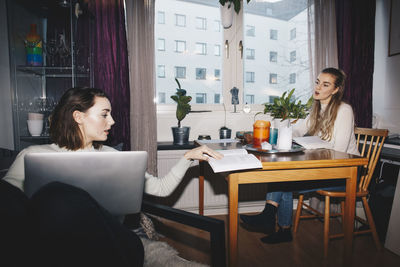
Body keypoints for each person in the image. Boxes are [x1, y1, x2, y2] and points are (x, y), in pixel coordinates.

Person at [0, 87, 222, 267]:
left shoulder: (113, 157)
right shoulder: (33, 156)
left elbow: (161, 189)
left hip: (115, 244)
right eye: (105, 114)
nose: (113, 121)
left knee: (58, 196)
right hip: (56, 246)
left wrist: (187, 158)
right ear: (78, 116)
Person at [240, 67, 360, 244]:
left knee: (284, 180)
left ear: (335, 90)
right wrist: (285, 133)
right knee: (283, 177)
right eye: (318, 82)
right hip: (325, 167)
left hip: (344, 173)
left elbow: (340, 151)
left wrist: (313, 146)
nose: (318, 87)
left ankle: (270, 217)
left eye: (325, 84)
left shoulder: (344, 110)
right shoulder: (317, 109)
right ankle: (281, 228)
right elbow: (298, 130)